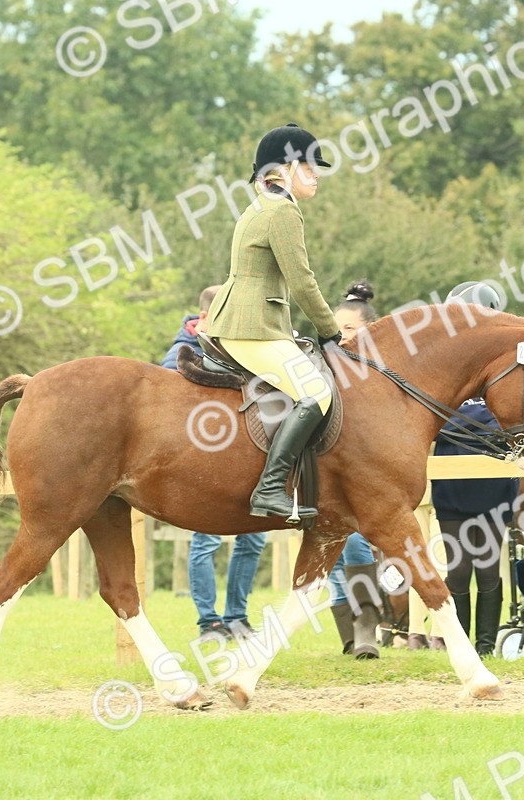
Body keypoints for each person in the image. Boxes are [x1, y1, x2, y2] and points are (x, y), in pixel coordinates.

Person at [207, 123, 342, 521]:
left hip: (249, 319)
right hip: (250, 326)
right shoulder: (283, 211)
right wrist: (331, 331)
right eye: (309, 166)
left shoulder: (264, 204)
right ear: (284, 167)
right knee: (317, 392)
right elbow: (302, 280)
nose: (317, 174)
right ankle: (269, 488)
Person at [161, 285, 268, 640]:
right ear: (206, 317)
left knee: (253, 541)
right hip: (205, 463)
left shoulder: (238, 345)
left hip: (246, 457)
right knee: (205, 540)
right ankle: (209, 622)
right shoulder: (183, 350)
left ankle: (237, 617)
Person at [428, 282, 518, 656]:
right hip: (451, 482)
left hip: (494, 482)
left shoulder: (500, 356)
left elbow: (506, 418)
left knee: (488, 569)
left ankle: (485, 645)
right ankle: (461, 645)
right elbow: (433, 417)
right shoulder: (442, 359)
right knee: (459, 569)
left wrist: (460, 421)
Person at [325, 282, 383, 658]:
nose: (340, 335)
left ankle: (366, 625)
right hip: (328, 467)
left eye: (349, 328)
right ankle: (349, 635)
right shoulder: (324, 363)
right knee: (331, 547)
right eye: (337, 328)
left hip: (364, 469)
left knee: (356, 540)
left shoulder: (379, 368)